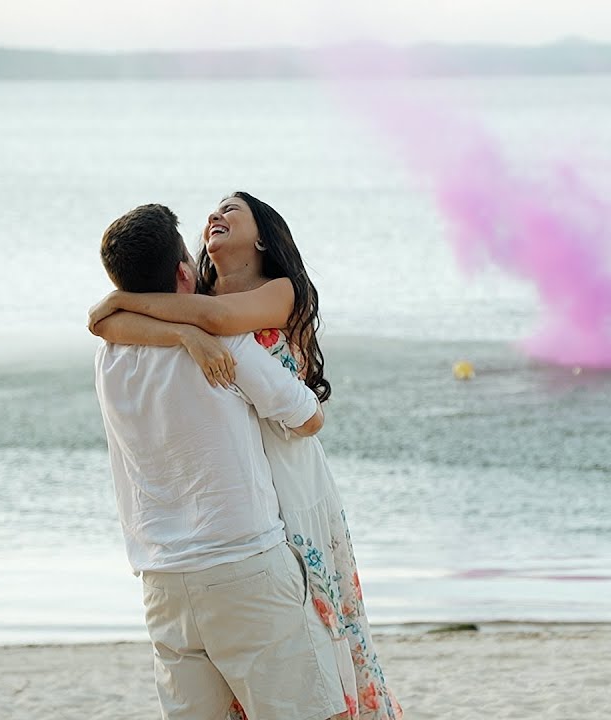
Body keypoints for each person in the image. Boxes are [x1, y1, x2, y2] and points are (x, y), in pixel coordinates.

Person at [89, 193, 402, 720]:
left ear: (262, 236)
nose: (216, 215)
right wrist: (183, 334)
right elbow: (145, 323)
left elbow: (186, 320)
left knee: (324, 636)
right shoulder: (208, 328)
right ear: (184, 272)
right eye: (214, 209)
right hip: (244, 536)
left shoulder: (276, 294)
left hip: (287, 482)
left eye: (232, 209)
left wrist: (121, 306)